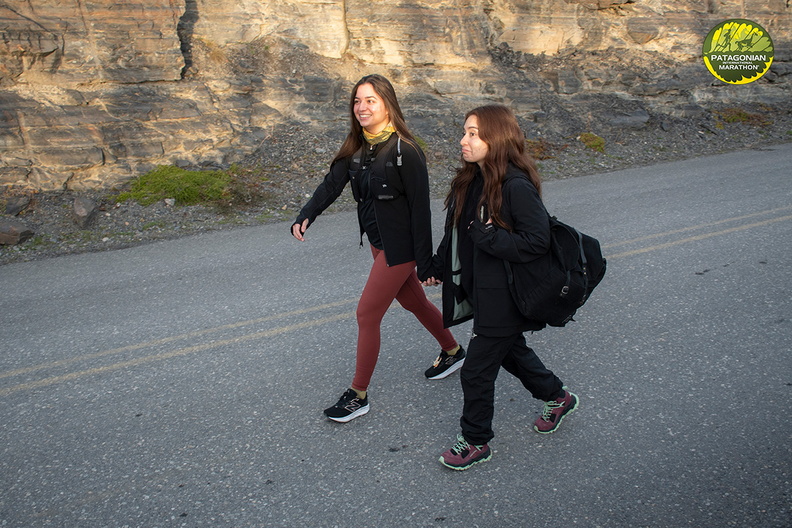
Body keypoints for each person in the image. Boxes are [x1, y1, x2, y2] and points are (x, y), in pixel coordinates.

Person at [291, 74, 464, 423]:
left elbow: (420, 211)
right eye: (357, 101)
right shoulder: (357, 147)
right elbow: (331, 185)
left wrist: (426, 263)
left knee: (367, 315)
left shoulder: (406, 151)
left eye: (370, 100)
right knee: (414, 302)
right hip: (377, 242)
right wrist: (307, 214)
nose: (362, 107)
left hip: (400, 248)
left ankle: (358, 395)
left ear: (387, 104)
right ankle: (453, 351)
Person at [422, 104, 578, 470]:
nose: (463, 140)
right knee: (510, 352)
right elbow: (458, 234)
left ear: (497, 139)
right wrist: (438, 266)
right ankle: (558, 397)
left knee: (476, 371)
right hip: (483, 290)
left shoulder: (515, 186)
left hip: (506, 297)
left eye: (473, 134)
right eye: (464, 132)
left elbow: (538, 241)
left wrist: (490, 237)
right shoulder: (472, 180)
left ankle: (475, 440)